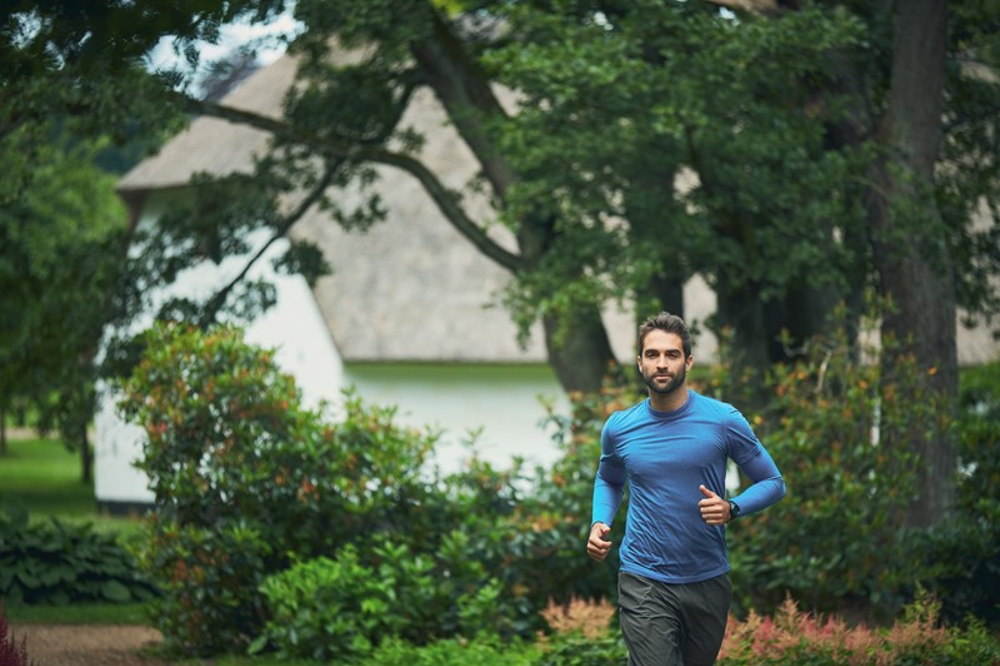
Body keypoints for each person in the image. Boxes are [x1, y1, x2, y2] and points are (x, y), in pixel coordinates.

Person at [587, 311, 785, 666]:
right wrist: (600, 520)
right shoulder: (619, 427)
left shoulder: (723, 420)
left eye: (671, 354)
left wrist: (732, 508)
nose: (661, 364)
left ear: (688, 361)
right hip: (643, 577)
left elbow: (773, 482)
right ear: (640, 362)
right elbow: (609, 479)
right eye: (652, 354)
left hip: (707, 580)